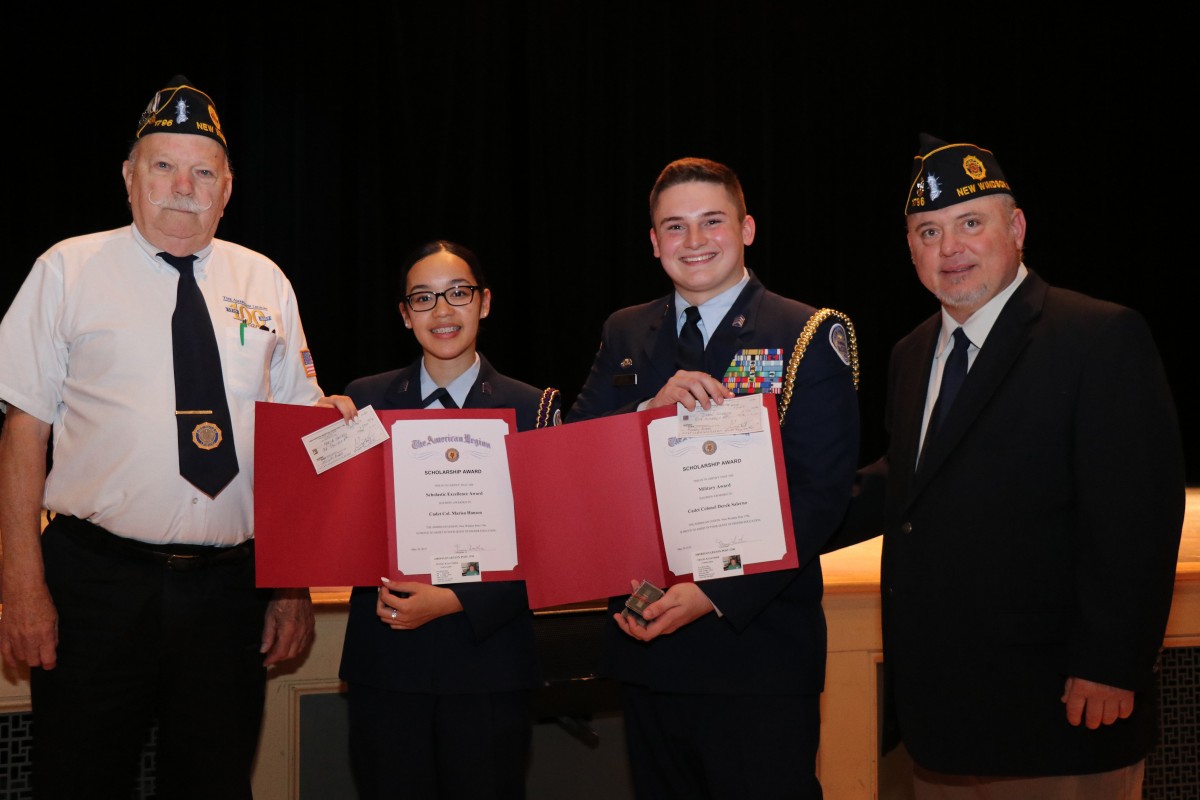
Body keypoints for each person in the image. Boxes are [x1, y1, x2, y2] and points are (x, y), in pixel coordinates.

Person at [0, 75, 354, 799]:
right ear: (130, 177)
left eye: (203, 171)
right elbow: (22, 435)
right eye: (163, 166)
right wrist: (21, 585)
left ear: (228, 188)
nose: (182, 186)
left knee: (216, 784)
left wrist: (290, 586)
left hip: (231, 593)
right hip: (95, 585)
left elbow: (296, 446)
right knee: (76, 782)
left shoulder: (265, 282)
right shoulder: (66, 270)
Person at [829, 134, 1185, 799]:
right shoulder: (911, 354)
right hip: (942, 725)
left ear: (1016, 228)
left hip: (1060, 716)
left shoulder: (1097, 337)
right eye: (927, 231)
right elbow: (908, 486)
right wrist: (772, 513)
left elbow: (1137, 515)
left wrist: (1111, 663)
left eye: (970, 223)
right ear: (910, 248)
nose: (949, 248)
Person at [568, 157, 860, 799]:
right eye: (675, 227)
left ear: (747, 228)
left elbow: (820, 495)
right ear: (653, 242)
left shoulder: (808, 331)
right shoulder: (625, 330)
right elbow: (575, 463)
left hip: (756, 646)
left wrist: (715, 592)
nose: (694, 242)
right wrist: (645, 413)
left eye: (712, 222)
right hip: (646, 642)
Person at [338, 240, 562, 800]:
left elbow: (552, 542)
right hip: (385, 666)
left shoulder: (533, 408)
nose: (442, 312)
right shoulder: (362, 402)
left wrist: (459, 598)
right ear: (404, 314)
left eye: (457, 293)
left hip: (488, 666)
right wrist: (310, 434)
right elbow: (333, 521)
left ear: (484, 302)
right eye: (423, 298)